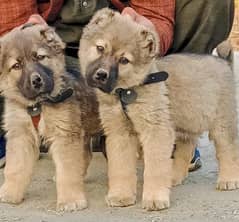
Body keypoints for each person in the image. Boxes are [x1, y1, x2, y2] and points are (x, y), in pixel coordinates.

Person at [0, 0, 235, 170]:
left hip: (123, 56)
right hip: (52, 54)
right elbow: (12, 20)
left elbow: (156, 14)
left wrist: (145, 35)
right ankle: (35, 126)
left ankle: (167, 121)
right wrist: (25, 32)